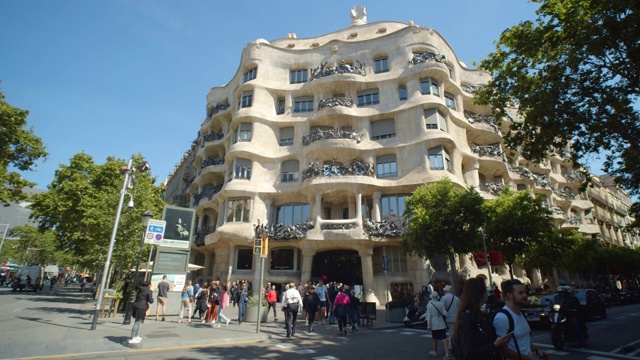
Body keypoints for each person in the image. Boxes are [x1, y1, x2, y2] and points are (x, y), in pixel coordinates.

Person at [453, 277, 511, 360]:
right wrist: (494, 345)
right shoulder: (467, 318)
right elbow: (468, 353)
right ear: (481, 294)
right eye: (486, 292)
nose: (488, 295)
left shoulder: (478, 314)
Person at [494, 279, 549, 360]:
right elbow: (502, 350)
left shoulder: (521, 313)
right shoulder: (502, 318)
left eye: (525, 292)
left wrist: (537, 350)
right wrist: (527, 358)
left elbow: (524, 339)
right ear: (509, 296)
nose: (525, 295)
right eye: (520, 293)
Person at [427, 291, 450, 359]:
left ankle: (435, 351)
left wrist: (428, 325)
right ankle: (447, 353)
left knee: (434, 338)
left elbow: (429, 316)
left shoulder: (429, 305)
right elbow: (444, 313)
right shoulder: (441, 304)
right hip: (441, 322)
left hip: (434, 323)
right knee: (444, 337)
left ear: (431, 297)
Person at [441, 284, 461, 349]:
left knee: (451, 332)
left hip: (449, 317)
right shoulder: (457, 298)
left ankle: (454, 345)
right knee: (454, 331)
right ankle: (451, 345)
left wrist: (445, 315)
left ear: (446, 291)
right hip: (457, 317)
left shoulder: (444, 298)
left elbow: (442, 308)